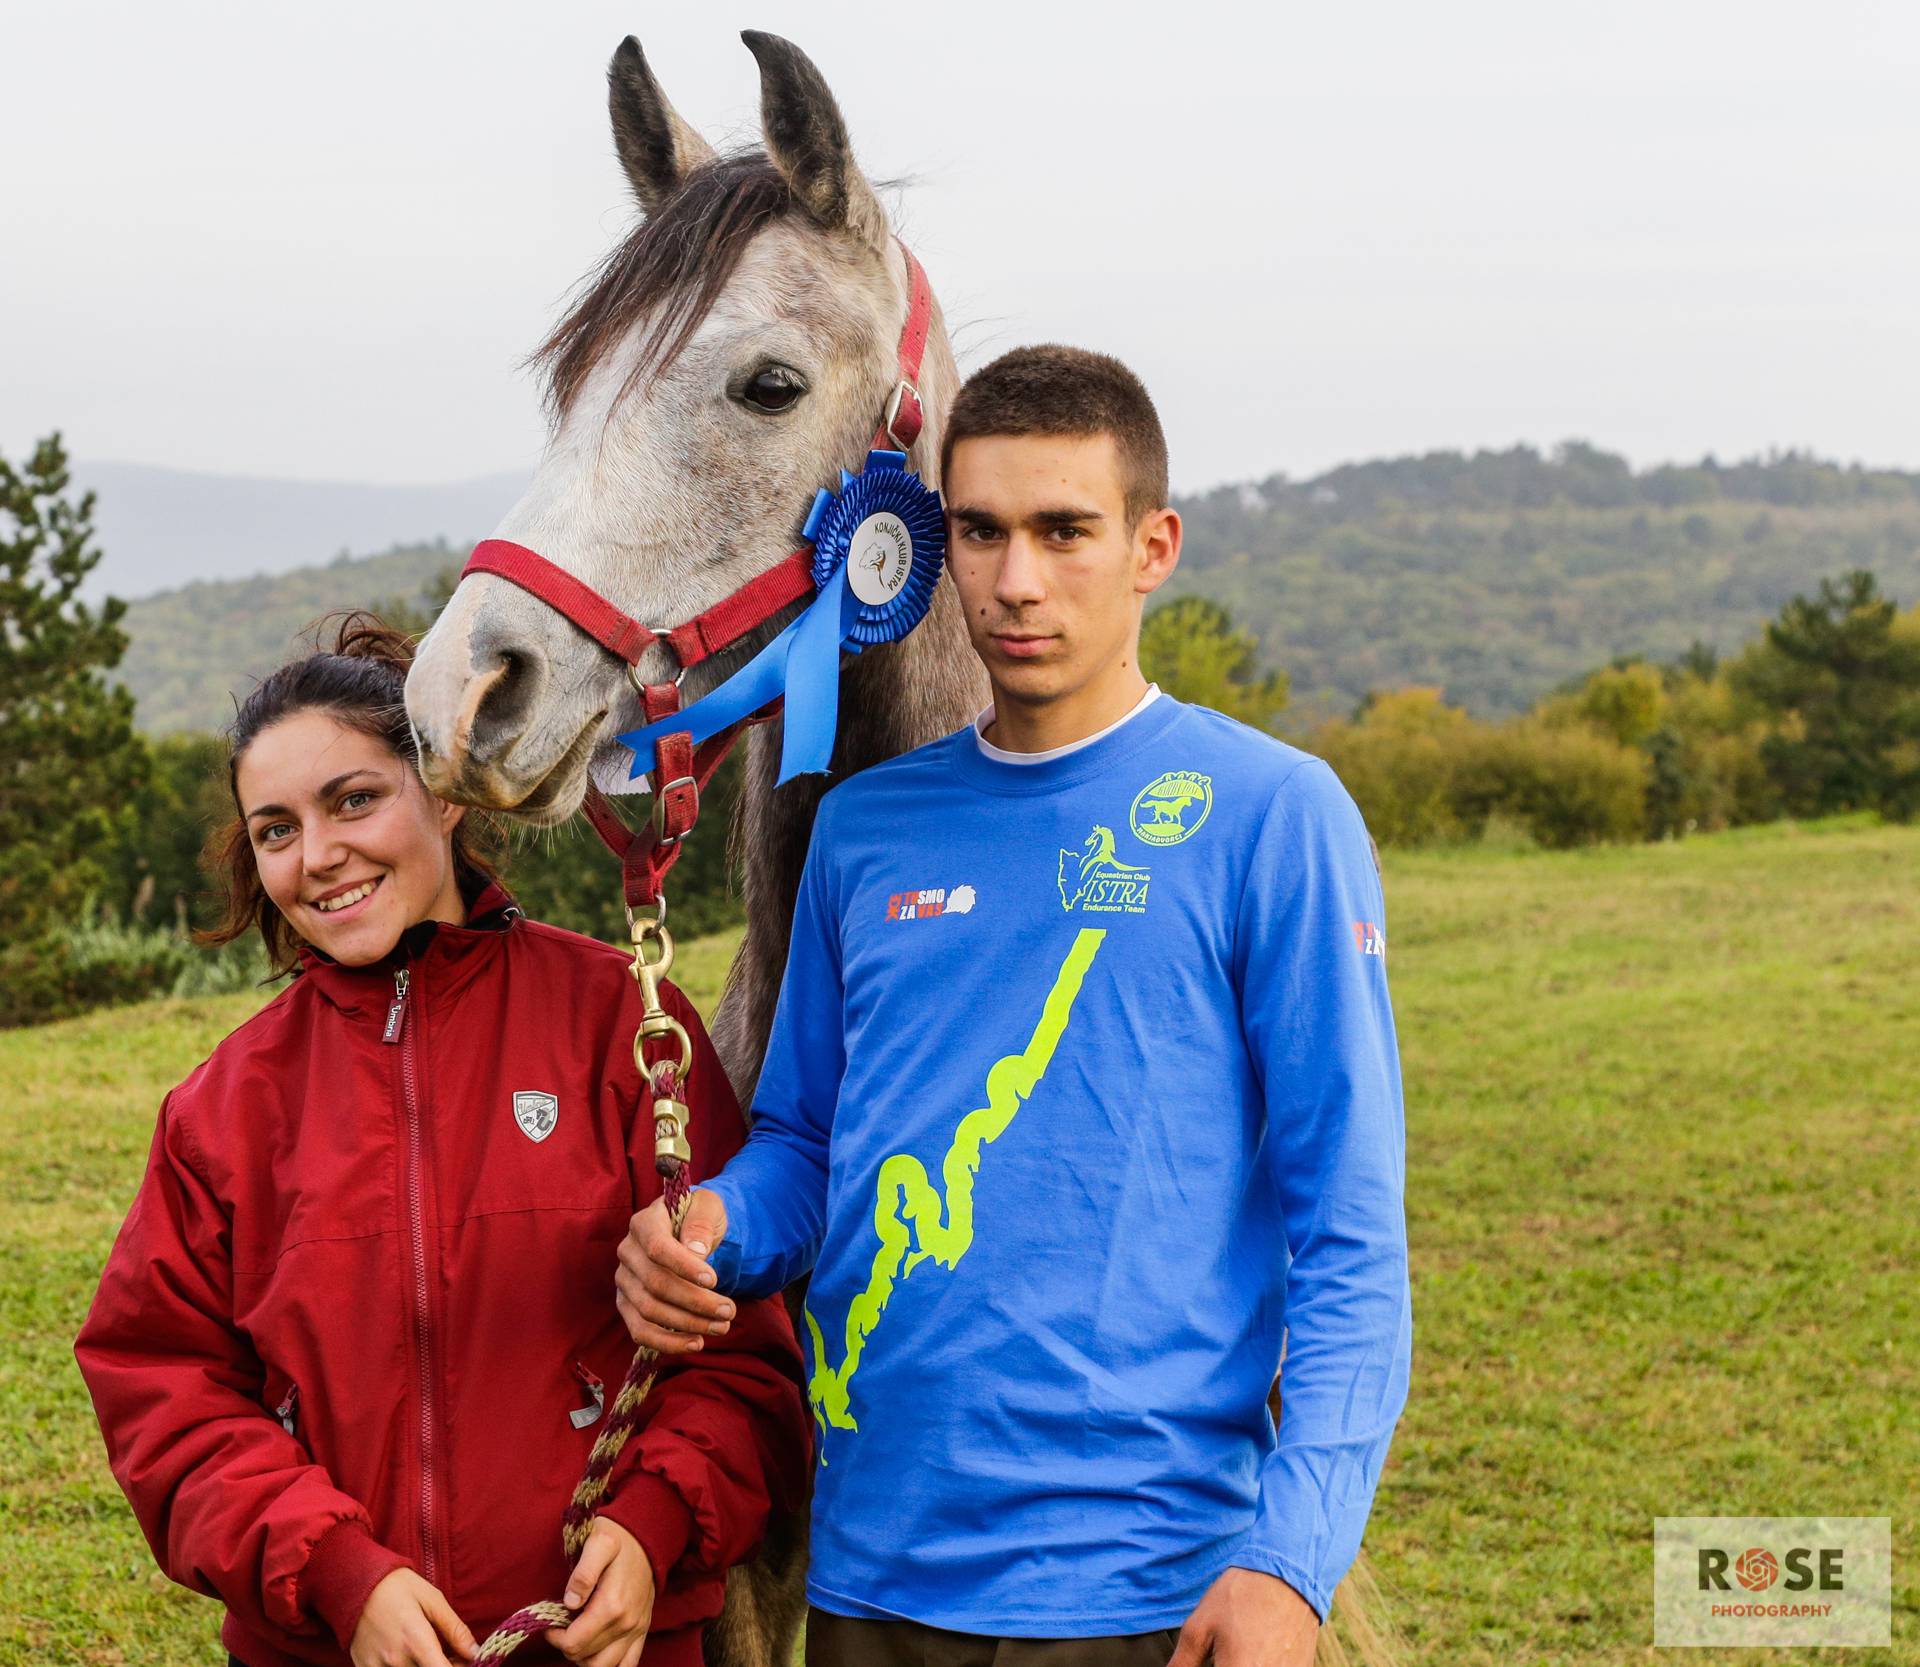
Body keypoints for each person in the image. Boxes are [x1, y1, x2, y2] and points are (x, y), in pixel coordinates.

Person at [615, 346, 1414, 1666]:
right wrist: (714, 1224)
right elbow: (809, 1147)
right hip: (871, 1577)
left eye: (1064, 530)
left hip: (1147, 1586)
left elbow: (1350, 1232)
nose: (1017, 580)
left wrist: (1291, 1557)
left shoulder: (1274, 814)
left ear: (1153, 545)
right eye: (979, 532)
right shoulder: (867, 832)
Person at [74, 616, 810, 1667]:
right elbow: (164, 1395)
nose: (318, 856)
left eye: (354, 798)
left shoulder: (621, 1026)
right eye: (275, 829)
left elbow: (742, 1359)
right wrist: (337, 1571)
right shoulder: (225, 1108)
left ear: (448, 790)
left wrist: (651, 1528)